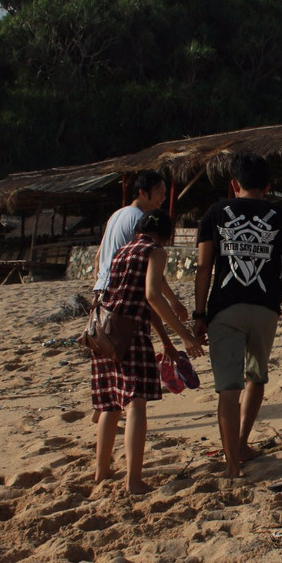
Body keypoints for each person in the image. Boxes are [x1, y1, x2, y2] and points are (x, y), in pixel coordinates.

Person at [193, 153, 282, 479]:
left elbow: (203, 268)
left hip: (224, 309)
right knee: (257, 376)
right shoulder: (281, 217)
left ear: (233, 183)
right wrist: (271, 294)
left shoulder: (215, 213)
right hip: (265, 309)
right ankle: (242, 443)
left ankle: (232, 465)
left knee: (228, 388)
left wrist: (199, 314)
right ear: (268, 186)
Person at [92, 209, 204, 494]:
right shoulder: (155, 251)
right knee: (135, 403)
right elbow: (153, 295)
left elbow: (145, 300)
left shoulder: (123, 250)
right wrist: (185, 336)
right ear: (167, 234)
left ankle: (101, 471)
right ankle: (133, 480)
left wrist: (167, 343)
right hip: (130, 334)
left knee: (110, 404)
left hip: (103, 331)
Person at [90, 170, 188, 426]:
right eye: (159, 193)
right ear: (143, 193)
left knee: (109, 361)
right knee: (132, 378)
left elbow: (99, 255)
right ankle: (111, 412)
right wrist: (173, 303)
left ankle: (102, 412)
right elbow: (147, 271)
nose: (163, 198)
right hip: (124, 293)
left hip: (103, 294)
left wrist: (99, 282)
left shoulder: (117, 214)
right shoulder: (140, 220)